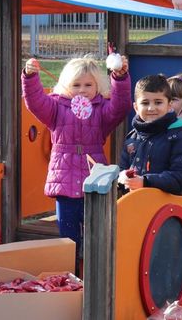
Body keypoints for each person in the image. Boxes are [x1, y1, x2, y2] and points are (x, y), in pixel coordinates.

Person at [21, 55, 131, 257]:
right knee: (68, 238)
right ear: (66, 85)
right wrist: (30, 78)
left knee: (95, 235)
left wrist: (120, 78)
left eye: (88, 85)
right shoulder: (56, 107)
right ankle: (72, 274)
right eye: (76, 84)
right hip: (64, 182)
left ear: (97, 86)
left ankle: (91, 270)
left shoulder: (101, 109)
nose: (82, 90)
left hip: (94, 180)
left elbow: (120, 107)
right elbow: (35, 102)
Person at [117, 74, 182, 195]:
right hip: (134, 205)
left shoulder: (180, 137)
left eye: (158, 102)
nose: (151, 108)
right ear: (136, 107)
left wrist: (146, 182)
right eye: (145, 103)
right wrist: (122, 177)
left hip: (167, 208)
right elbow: (123, 168)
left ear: (169, 105)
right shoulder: (132, 137)